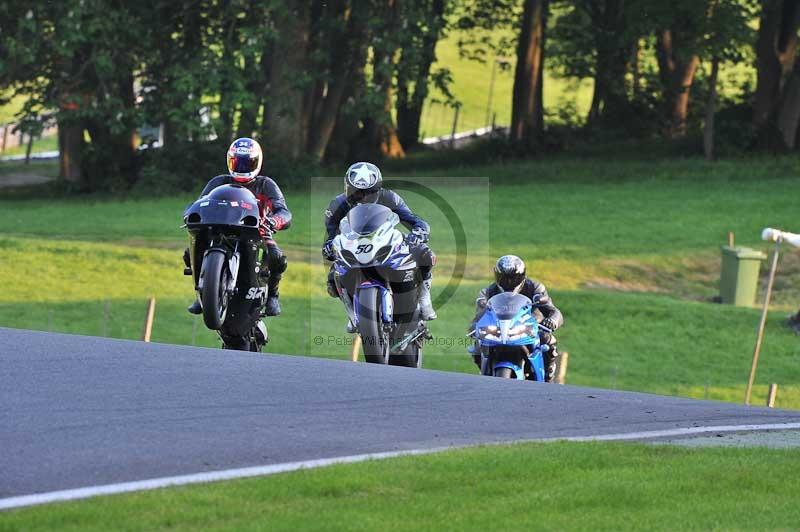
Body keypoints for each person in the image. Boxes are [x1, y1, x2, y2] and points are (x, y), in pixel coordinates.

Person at [184, 137, 292, 317]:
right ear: (229, 161)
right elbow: (199, 203)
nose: (241, 168)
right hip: (219, 228)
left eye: (247, 163)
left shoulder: (266, 184)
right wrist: (190, 213)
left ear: (258, 162)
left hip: (257, 231)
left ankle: (273, 296)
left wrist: (274, 221)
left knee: (277, 257)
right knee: (191, 250)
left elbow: (284, 212)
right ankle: (201, 292)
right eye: (237, 162)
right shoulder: (218, 181)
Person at [321, 162, 436, 325]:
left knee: (425, 254)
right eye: (356, 192)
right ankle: (352, 313)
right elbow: (331, 234)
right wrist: (329, 246)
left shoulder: (390, 198)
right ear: (347, 188)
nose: (362, 197)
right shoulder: (337, 204)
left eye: (368, 192)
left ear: (377, 189)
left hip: (384, 241)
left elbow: (412, 219)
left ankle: (424, 298)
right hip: (354, 246)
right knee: (333, 277)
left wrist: (419, 232)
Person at [468, 255, 564, 382]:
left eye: (514, 278)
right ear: (497, 276)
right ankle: (484, 372)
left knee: (548, 340)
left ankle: (548, 376)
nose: (509, 282)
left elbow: (553, 311)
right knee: (478, 344)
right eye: (504, 278)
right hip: (499, 329)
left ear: (522, 276)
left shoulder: (535, 287)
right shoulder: (488, 292)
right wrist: (474, 327)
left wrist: (552, 321)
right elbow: (480, 316)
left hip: (529, 328)